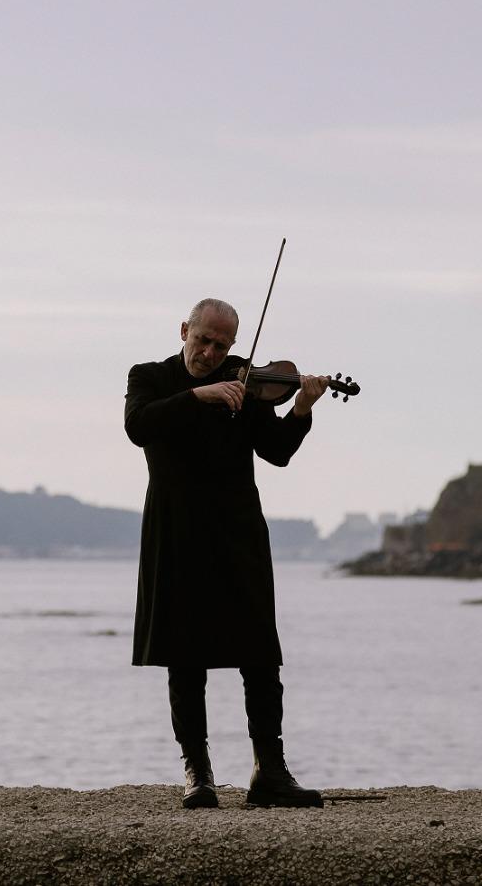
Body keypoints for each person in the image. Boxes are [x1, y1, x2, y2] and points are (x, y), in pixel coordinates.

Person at [123, 297, 329, 809]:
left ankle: (270, 771)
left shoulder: (245, 381)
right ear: (184, 331)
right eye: (203, 340)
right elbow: (139, 426)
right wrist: (204, 395)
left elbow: (276, 451)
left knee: (259, 650)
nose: (210, 352)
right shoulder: (149, 377)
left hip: (238, 528)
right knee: (184, 655)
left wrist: (300, 408)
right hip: (176, 529)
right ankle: (198, 773)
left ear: (234, 345)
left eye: (221, 345)